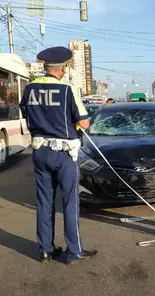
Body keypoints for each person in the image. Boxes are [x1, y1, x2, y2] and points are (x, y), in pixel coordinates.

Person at [19, 46, 98, 264]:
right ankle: (74, 251)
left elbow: (26, 116)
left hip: (39, 151)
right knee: (70, 201)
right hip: (63, 154)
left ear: (45, 66)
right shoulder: (67, 89)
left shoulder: (29, 89)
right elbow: (84, 122)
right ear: (63, 67)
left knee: (44, 201)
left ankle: (45, 250)